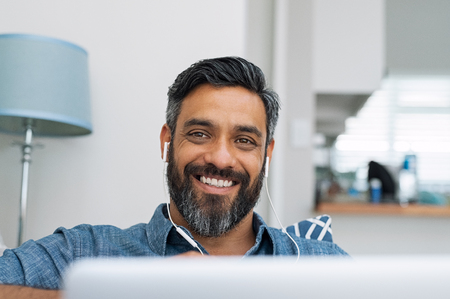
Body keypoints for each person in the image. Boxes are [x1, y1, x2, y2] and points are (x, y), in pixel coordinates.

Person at [0, 56, 348, 298]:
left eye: (244, 141)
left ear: (266, 154)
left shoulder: (322, 264)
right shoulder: (83, 251)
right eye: (199, 134)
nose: (220, 158)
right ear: (168, 141)